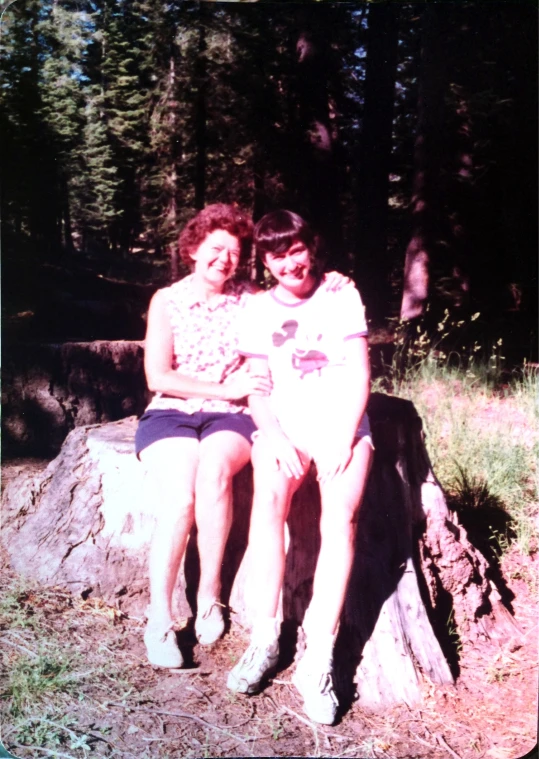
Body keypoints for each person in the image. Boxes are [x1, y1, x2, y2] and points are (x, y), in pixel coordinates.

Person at [135, 203, 348, 669]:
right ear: (193, 249)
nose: (225, 260)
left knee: (214, 474)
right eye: (216, 249)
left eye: (234, 253)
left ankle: (210, 595)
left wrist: (334, 281)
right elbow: (158, 375)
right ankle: (159, 618)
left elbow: (297, 294)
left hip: (230, 416)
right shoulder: (166, 301)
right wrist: (222, 387)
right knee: (178, 498)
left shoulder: (251, 297)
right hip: (171, 413)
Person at [227, 210, 373, 725]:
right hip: (282, 424)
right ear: (264, 261)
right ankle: (264, 638)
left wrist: (344, 434)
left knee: (340, 521)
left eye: (295, 250)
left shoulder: (340, 293)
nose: (288, 262)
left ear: (311, 247)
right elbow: (256, 386)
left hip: (341, 424)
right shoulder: (255, 308)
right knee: (268, 506)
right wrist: (273, 434)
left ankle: (318, 659)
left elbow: (359, 373)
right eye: (276, 254)